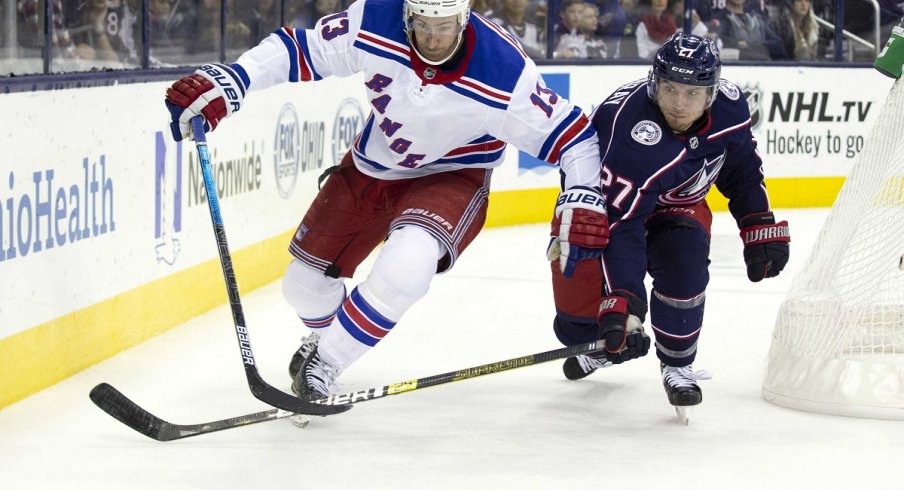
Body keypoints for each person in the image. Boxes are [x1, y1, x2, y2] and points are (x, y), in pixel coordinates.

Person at [164, 0, 608, 423]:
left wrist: (583, 195)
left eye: (444, 26)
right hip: (372, 167)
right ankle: (326, 340)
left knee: (407, 263)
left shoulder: (504, 72)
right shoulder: (375, 19)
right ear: (407, 14)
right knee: (303, 287)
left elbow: (575, 137)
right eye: (422, 24)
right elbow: (301, 48)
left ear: (464, 18)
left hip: (453, 176)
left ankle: (326, 362)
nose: (432, 38)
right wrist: (235, 79)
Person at [548, 32, 790, 413]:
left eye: (692, 93)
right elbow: (621, 224)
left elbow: (742, 170)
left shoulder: (729, 108)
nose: (679, 103)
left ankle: (678, 364)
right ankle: (603, 346)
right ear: (654, 84)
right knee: (581, 320)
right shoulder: (628, 130)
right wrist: (624, 301)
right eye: (671, 89)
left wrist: (756, 222)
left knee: (686, 264)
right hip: (602, 211)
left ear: (711, 93)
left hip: (680, 206)